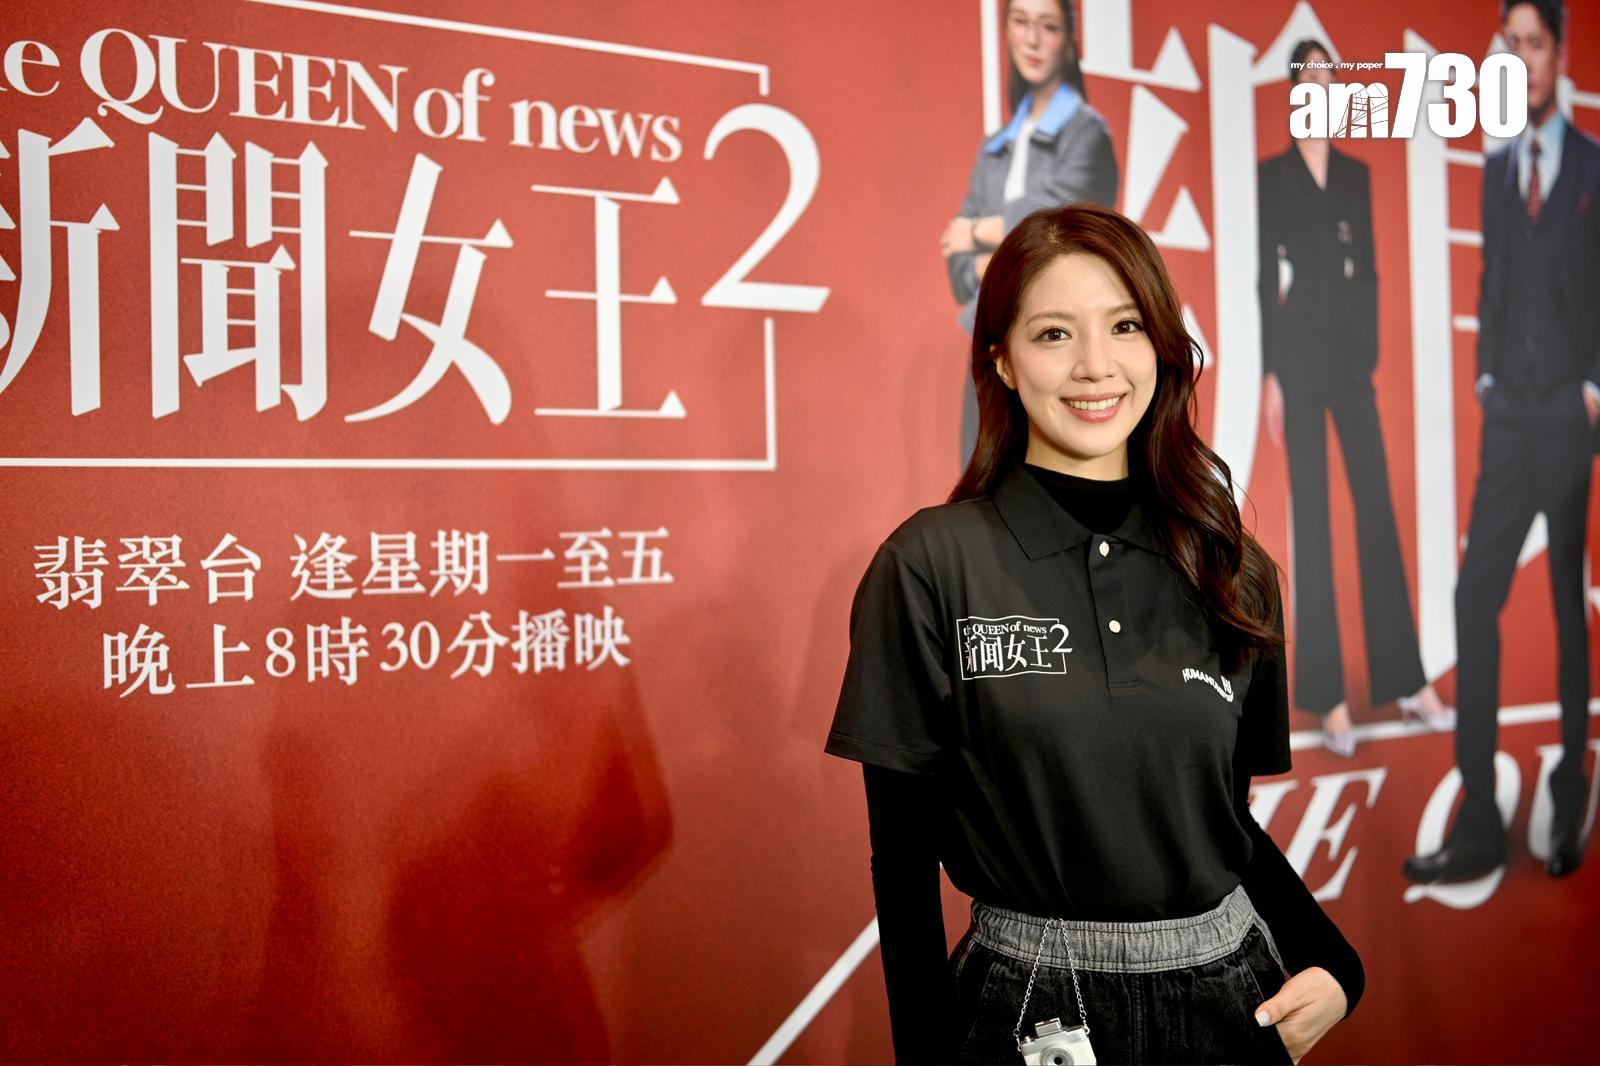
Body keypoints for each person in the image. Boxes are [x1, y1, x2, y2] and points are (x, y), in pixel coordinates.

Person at [829, 203, 1362, 1064]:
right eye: (1053, 334)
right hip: (1032, 1013)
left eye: (1125, 326)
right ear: (1001, 359)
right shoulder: (929, 563)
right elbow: (902, 860)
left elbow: (1219, 823)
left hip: (1233, 997)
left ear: (1162, 346)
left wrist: (1335, 961)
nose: (1095, 365)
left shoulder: (1233, 568)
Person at [1404, 0, 1599, 885]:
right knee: (1472, 595)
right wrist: (1485, 377)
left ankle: (1570, 790)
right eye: (1508, 47)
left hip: (1569, 416)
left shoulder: (1592, 166)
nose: (1520, 60)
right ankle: (1479, 820)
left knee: (1564, 604)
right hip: (1509, 420)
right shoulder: (1497, 168)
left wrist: (1592, 393)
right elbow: (1491, 277)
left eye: (1533, 44)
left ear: (1559, 52)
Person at [1257, 38, 1453, 759]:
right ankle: (1329, 696)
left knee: (1375, 505)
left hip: (1348, 358)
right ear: (1294, 92)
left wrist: (1365, 351)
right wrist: (1272, 374)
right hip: (1298, 356)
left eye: (1328, 77)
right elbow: (1264, 278)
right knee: (1312, 517)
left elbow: (1368, 268)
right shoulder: (1272, 176)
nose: (1319, 86)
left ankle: (1408, 681)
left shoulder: (1356, 174)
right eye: (1308, 77)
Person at [942, 0, 1118, 467]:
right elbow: (957, 266)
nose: (1033, 39)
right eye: (1021, 22)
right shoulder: (994, 147)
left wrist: (978, 237)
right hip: (991, 342)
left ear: (1069, 39)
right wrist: (984, 258)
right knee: (980, 474)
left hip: (1061, 348)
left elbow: (1060, 235)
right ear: (1006, 32)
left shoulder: (1086, 134)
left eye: (1049, 26)